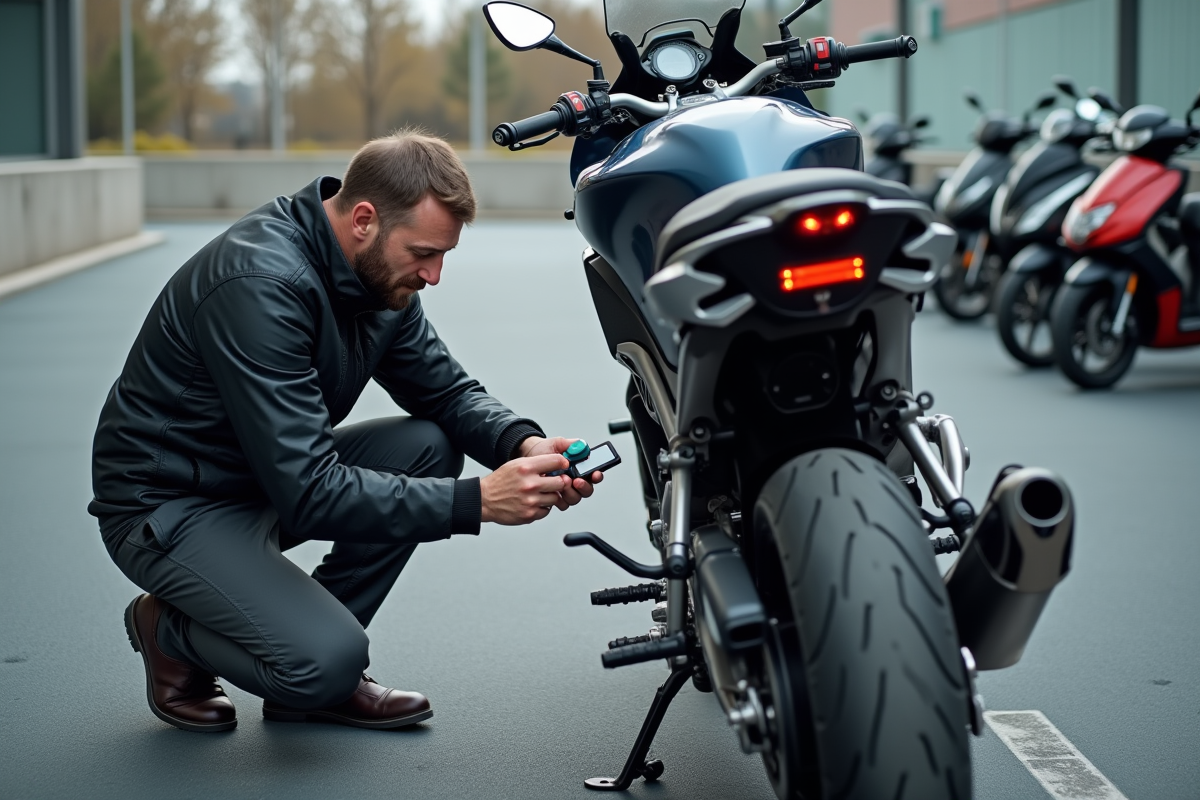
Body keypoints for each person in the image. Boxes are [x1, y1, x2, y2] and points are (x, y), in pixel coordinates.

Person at [88, 130, 602, 733]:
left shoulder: (380, 276)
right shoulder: (260, 285)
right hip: (171, 508)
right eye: (423, 253)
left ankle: (310, 664)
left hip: (262, 479)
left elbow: (444, 391)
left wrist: (522, 444)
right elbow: (308, 489)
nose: (434, 275)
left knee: (427, 446)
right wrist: (479, 502)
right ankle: (169, 630)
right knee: (325, 663)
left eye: (443, 255)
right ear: (364, 219)